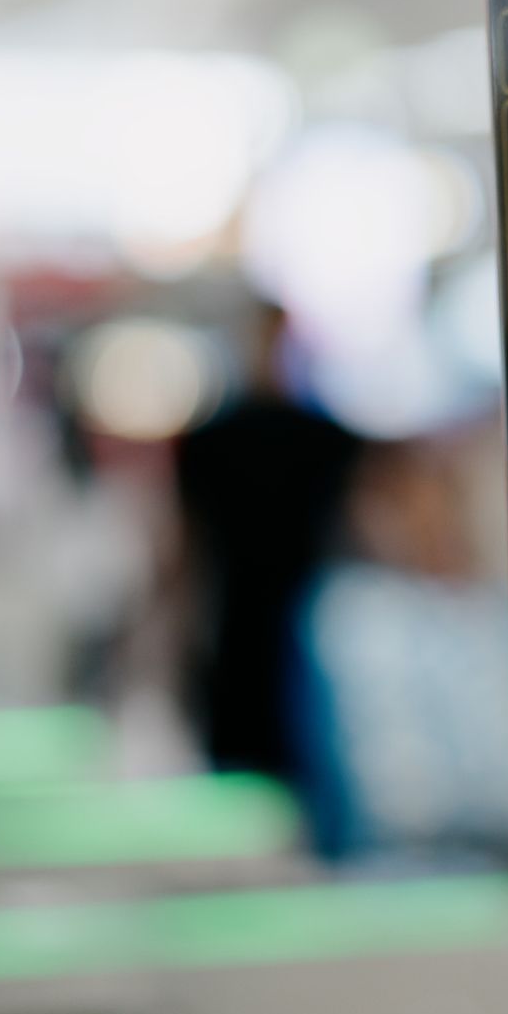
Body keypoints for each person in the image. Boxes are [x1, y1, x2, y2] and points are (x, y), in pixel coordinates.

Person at [174, 303, 359, 781]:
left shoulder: (214, 441)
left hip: (287, 625)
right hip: (253, 625)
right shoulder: (322, 439)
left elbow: (182, 553)